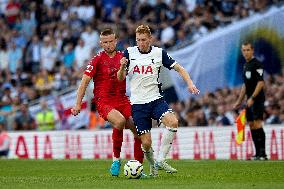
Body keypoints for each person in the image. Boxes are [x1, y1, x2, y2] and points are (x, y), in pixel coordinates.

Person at [117, 25, 200, 176]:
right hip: (138, 104)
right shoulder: (129, 53)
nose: (141, 43)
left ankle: (161, 160)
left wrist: (190, 84)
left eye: (143, 40)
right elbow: (120, 78)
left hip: (156, 99)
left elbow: (179, 68)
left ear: (150, 39)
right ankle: (153, 167)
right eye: (138, 40)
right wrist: (122, 68)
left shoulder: (159, 53)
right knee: (146, 143)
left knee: (173, 122)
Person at [71, 28, 144, 176]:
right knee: (120, 121)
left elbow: (126, 77)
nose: (109, 45)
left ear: (116, 41)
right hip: (104, 101)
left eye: (111, 41)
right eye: (105, 42)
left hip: (122, 99)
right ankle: (116, 160)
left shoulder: (123, 57)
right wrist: (78, 104)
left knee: (139, 129)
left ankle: (138, 167)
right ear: (101, 43)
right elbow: (84, 81)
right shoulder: (97, 59)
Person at [234, 42, 267, 160]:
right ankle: (257, 153)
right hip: (249, 100)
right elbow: (245, 85)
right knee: (252, 125)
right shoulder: (245, 65)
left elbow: (261, 82)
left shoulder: (257, 64)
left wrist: (252, 98)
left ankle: (263, 154)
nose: (246, 52)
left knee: (258, 123)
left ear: (252, 50)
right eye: (244, 50)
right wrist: (239, 100)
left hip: (257, 100)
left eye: (248, 50)